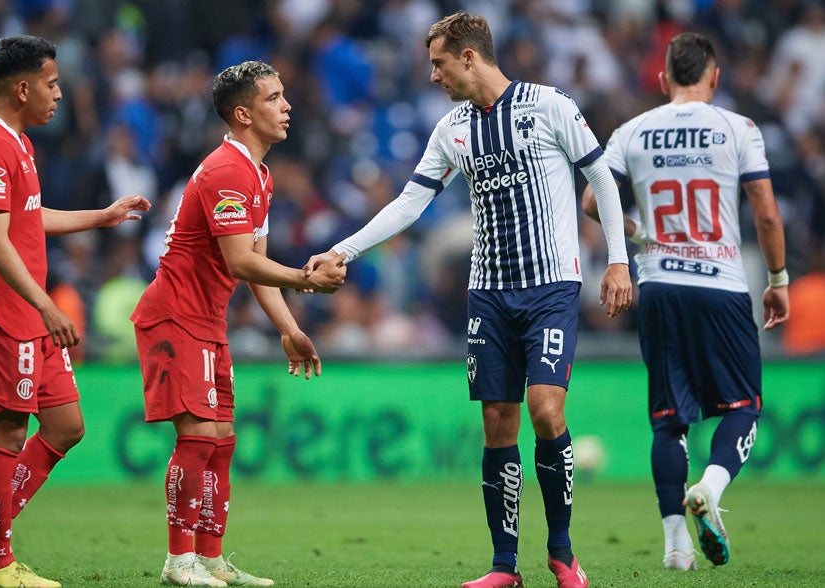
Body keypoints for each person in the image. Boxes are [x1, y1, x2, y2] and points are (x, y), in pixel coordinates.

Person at [306, 13, 631, 588]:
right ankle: (504, 567)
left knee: (546, 409)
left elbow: (601, 178)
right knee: (495, 422)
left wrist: (619, 260)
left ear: (470, 57)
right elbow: (409, 204)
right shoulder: (452, 129)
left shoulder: (550, 105)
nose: (433, 76)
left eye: (439, 63)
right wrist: (343, 252)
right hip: (489, 293)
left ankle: (562, 553)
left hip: (552, 286)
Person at [130, 60, 346, 587]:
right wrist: (306, 279)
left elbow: (257, 268)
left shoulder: (259, 175)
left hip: (205, 319)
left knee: (222, 437)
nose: (287, 105)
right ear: (243, 114)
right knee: (200, 436)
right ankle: (178, 560)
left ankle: (209, 558)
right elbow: (239, 261)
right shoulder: (227, 170)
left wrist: (288, 328)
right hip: (175, 315)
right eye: (274, 98)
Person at [582, 32, 790, 571]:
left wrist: (637, 234)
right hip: (720, 283)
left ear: (662, 78)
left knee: (668, 420)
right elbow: (765, 212)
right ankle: (711, 489)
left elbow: (590, 201)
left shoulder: (632, 130)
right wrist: (778, 278)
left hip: (658, 285)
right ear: (714, 77)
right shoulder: (738, 127)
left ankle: (677, 549)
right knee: (744, 408)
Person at [0, 35, 151, 588]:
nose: (60, 94)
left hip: (27, 313)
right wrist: (46, 305)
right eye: (52, 83)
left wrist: (103, 216)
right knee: (8, 434)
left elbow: (27, 220)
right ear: (22, 88)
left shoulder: (18, 142)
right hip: (2, 310)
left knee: (65, 426)